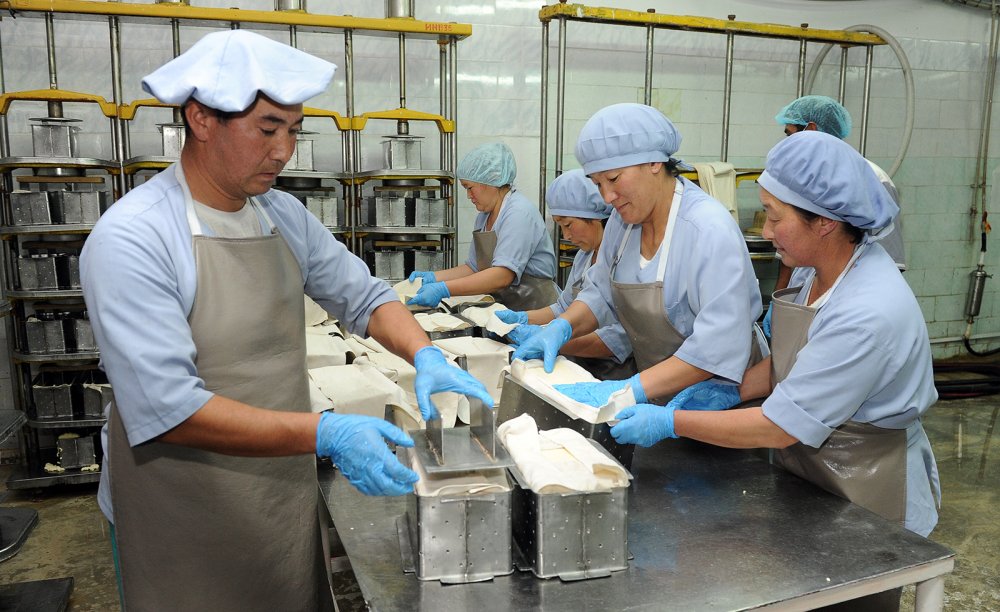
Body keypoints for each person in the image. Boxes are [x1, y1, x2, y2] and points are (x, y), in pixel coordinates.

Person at [80, 31, 493, 611]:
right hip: (181, 506)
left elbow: (364, 295)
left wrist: (423, 352)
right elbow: (168, 409)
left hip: (277, 489)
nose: (283, 152)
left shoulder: (280, 215)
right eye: (267, 129)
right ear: (201, 119)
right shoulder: (134, 238)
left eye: (294, 131)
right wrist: (325, 433)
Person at [622, 132, 939, 609]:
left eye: (774, 217)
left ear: (825, 222)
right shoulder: (817, 269)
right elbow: (796, 357)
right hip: (812, 470)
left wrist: (670, 421)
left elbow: (779, 426)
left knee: (854, 597)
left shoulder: (868, 312)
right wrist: (733, 390)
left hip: (867, 482)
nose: (766, 232)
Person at [513, 103, 763, 407]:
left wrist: (631, 390)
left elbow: (717, 345)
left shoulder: (707, 230)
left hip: (721, 400)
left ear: (654, 162)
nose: (607, 197)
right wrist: (562, 327)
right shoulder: (622, 224)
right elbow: (599, 294)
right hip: (658, 392)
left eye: (614, 178)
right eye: (597, 184)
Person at [496, 169, 635, 380]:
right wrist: (523, 318)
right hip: (581, 365)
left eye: (568, 225)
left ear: (595, 217)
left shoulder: (625, 261)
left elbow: (619, 339)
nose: (566, 235)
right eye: (561, 227)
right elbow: (562, 308)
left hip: (618, 373)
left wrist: (558, 342)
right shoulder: (584, 256)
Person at [771, 94, 906, 295]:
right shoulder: (802, 177)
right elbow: (787, 250)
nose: (787, 143)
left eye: (790, 135)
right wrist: (780, 298)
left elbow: (891, 259)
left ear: (811, 130)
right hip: (805, 292)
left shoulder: (872, 179)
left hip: (847, 293)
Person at [407, 142, 559, 310]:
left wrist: (444, 289)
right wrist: (432, 278)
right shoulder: (484, 216)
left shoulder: (519, 213)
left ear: (490, 181)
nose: (468, 195)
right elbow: (474, 268)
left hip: (537, 308)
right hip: (507, 306)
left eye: (469, 187)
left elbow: (502, 276)